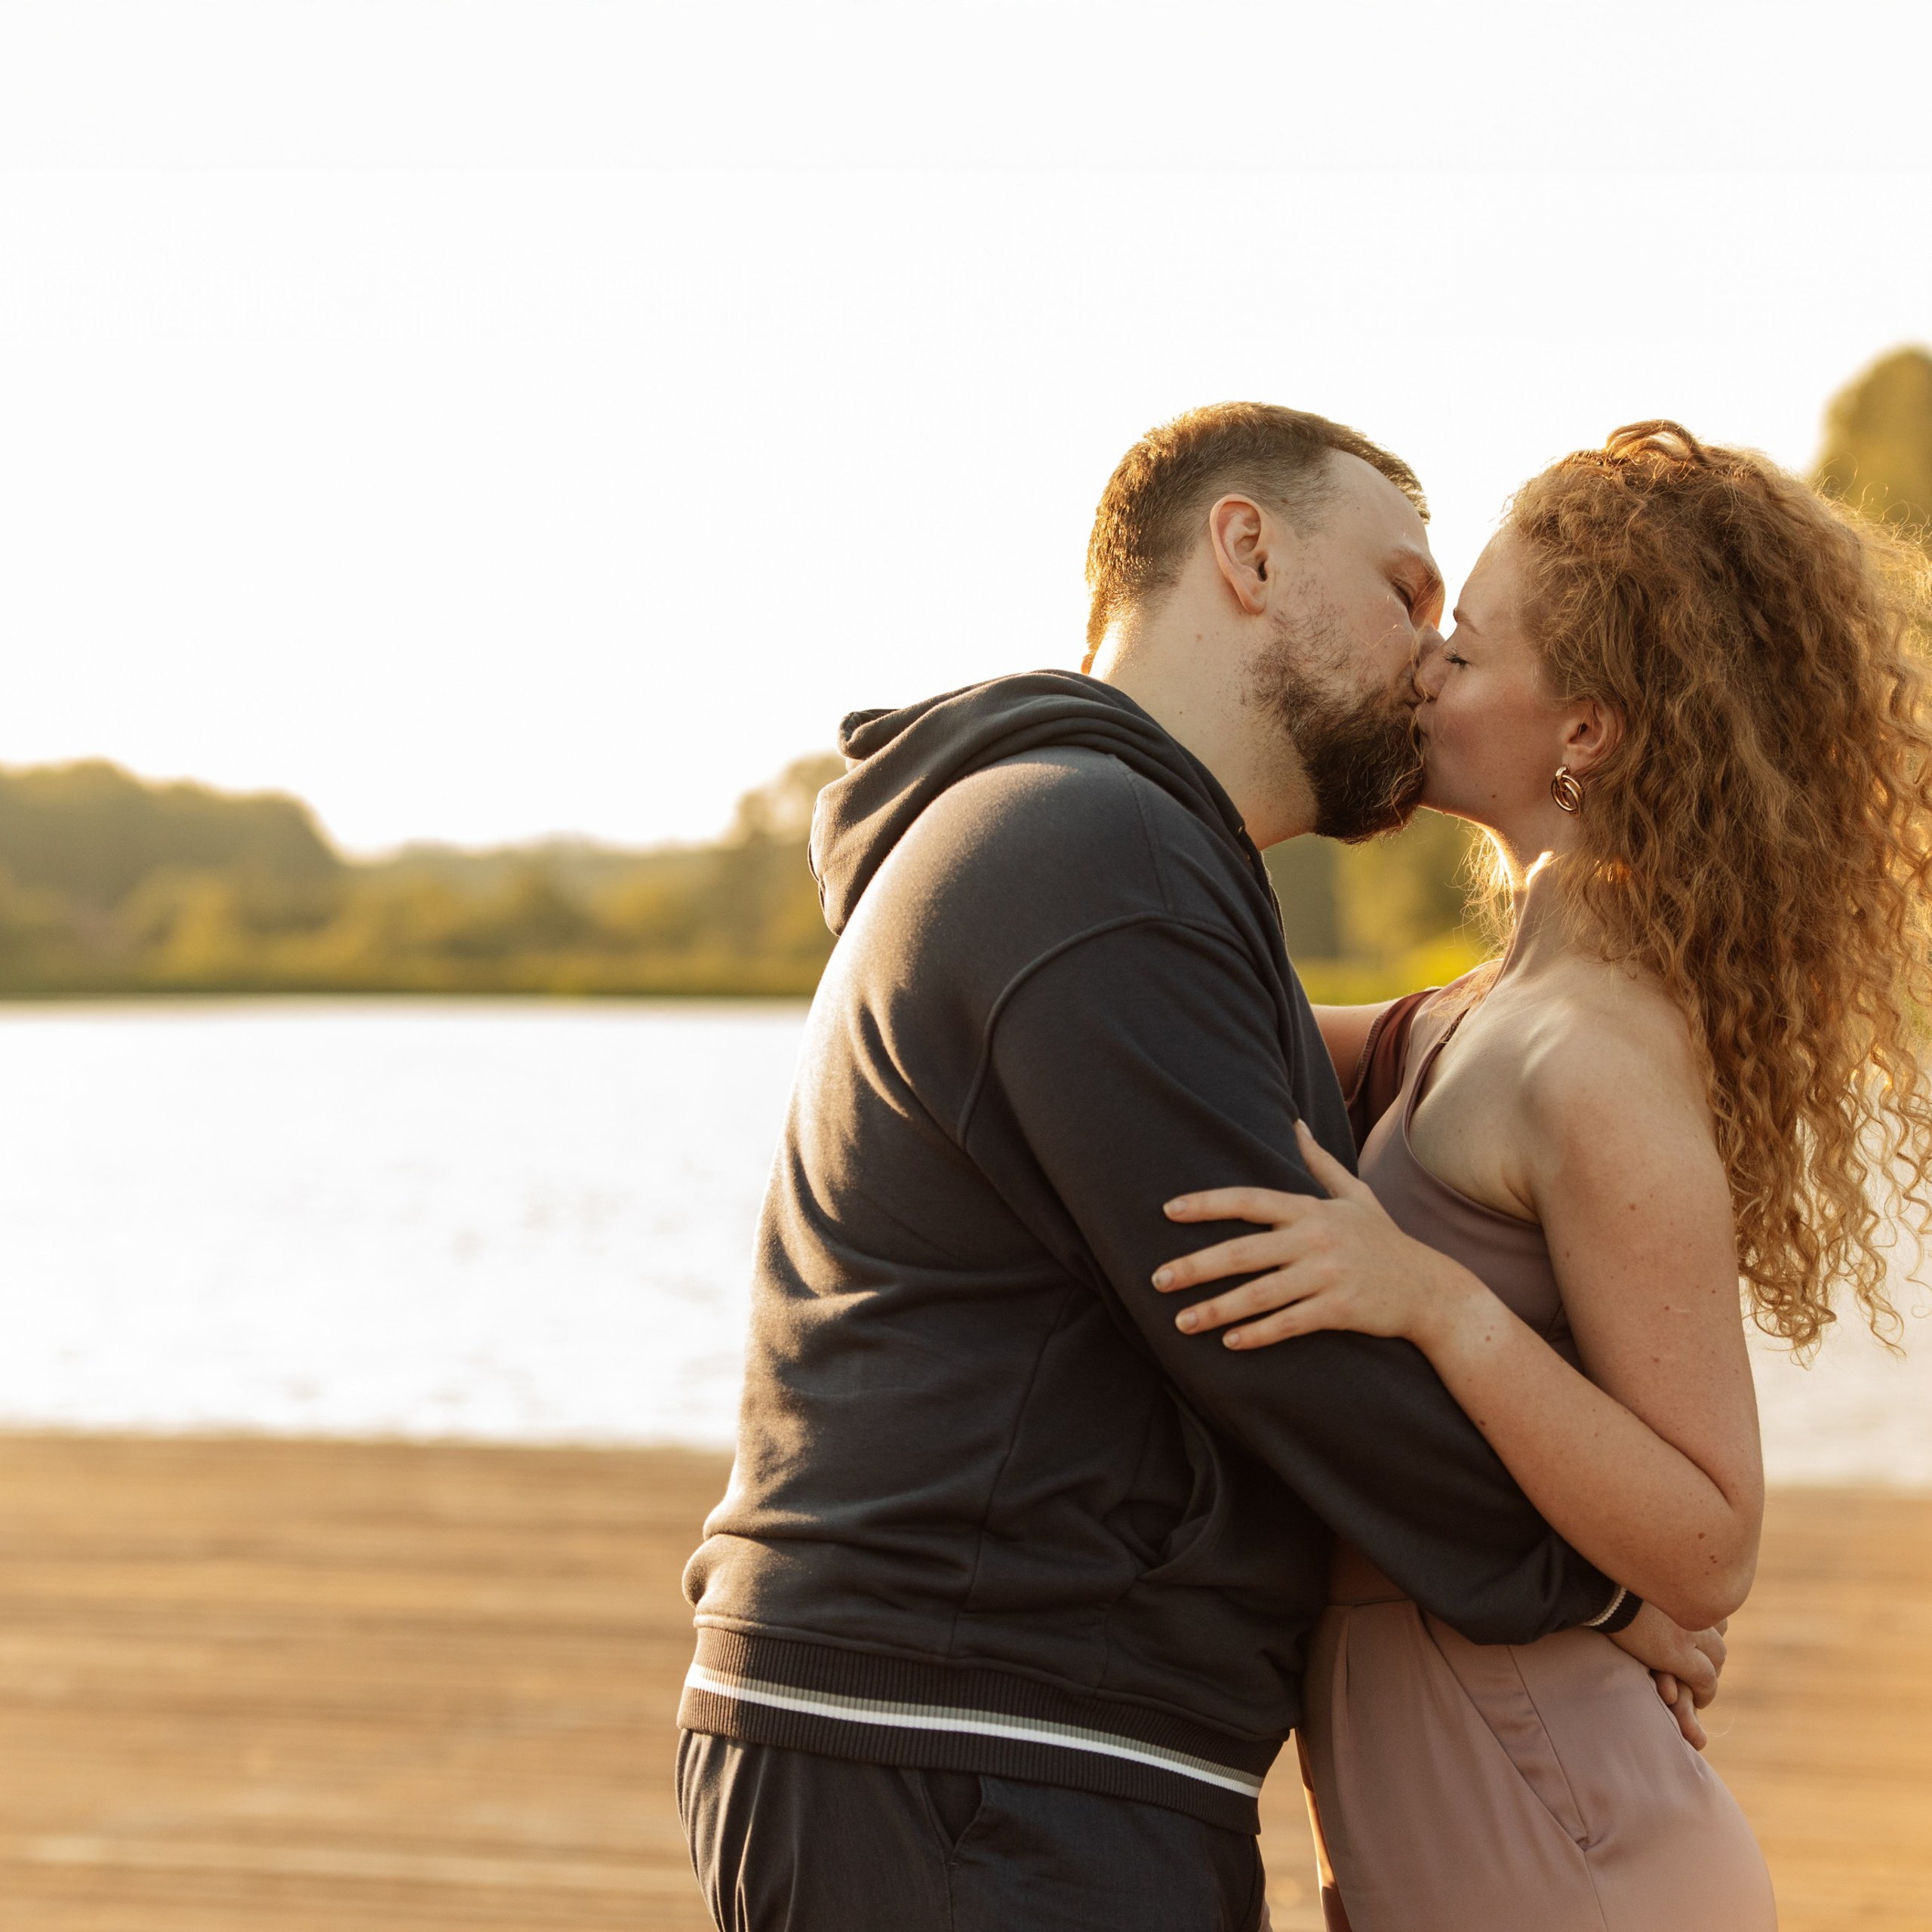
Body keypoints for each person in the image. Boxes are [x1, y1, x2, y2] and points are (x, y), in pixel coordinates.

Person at [676, 404, 1718, 1930]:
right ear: (1247, 551)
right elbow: (1277, 1335)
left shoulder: (1103, 849)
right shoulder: (1098, 852)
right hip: (974, 1744)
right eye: (1404, 591)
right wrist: (1597, 1581)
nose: (1429, 652)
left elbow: (1371, 1109)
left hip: (993, 1740)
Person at [1156, 422, 1932, 1928]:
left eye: (1463, 646)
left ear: (1585, 729)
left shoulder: (1591, 1056)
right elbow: (1186, 1012)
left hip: (1554, 1833)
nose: (1420, 667)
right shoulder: (1484, 1010)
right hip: (1465, 1800)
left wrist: (1438, 1305)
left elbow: (1708, 1539)